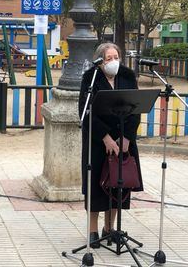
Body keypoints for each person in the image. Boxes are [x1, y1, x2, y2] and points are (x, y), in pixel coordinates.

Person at [78, 42, 143, 248]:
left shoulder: (127, 75)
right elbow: (84, 111)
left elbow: (136, 109)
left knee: (118, 185)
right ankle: (93, 231)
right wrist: (105, 137)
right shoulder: (91, 77)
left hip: (123, 139)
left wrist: (126, 138)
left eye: (116, 57)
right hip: (98, 141)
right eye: (108, 58)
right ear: (99, 61)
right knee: (96, 187)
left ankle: (110, 228)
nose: (113, 62)